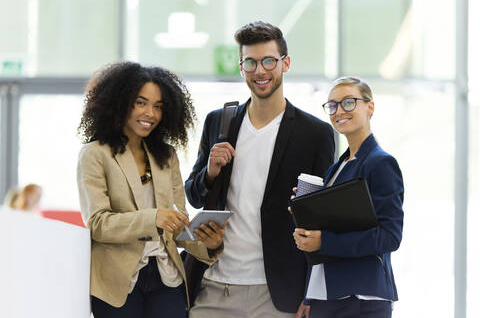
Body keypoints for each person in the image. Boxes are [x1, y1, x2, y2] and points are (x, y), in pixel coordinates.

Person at [185, 21, 335, 317]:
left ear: (285, 63)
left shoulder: (315, 133)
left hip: (277, 292)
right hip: (215, 283)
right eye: (250, 62)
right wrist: (211, 172)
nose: (259, 71)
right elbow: (193, 194)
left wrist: (313, 292)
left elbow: (324, 219)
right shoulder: (219, 121)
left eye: (268, 60)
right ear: (241, 67)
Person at [77, 62, 225, 318]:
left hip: (167, 278)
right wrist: (154, 218)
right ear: (120, 102)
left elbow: (177, 225)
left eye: (158, 106)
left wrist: (207, 245)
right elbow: (98, 224)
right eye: (141, 102)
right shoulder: (94, 154)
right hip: (117, 283)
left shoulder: (166, 155)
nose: (151, 114)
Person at [293, 76, 404, 318]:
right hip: (327, 295)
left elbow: (390, 236)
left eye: (348, 102)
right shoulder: (337, 168)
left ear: (370, 107)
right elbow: (335, 225)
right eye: (332, 105)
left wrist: (324, 242)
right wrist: (306, 209)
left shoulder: (381, 163)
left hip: (360, 298)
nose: (338, 111)